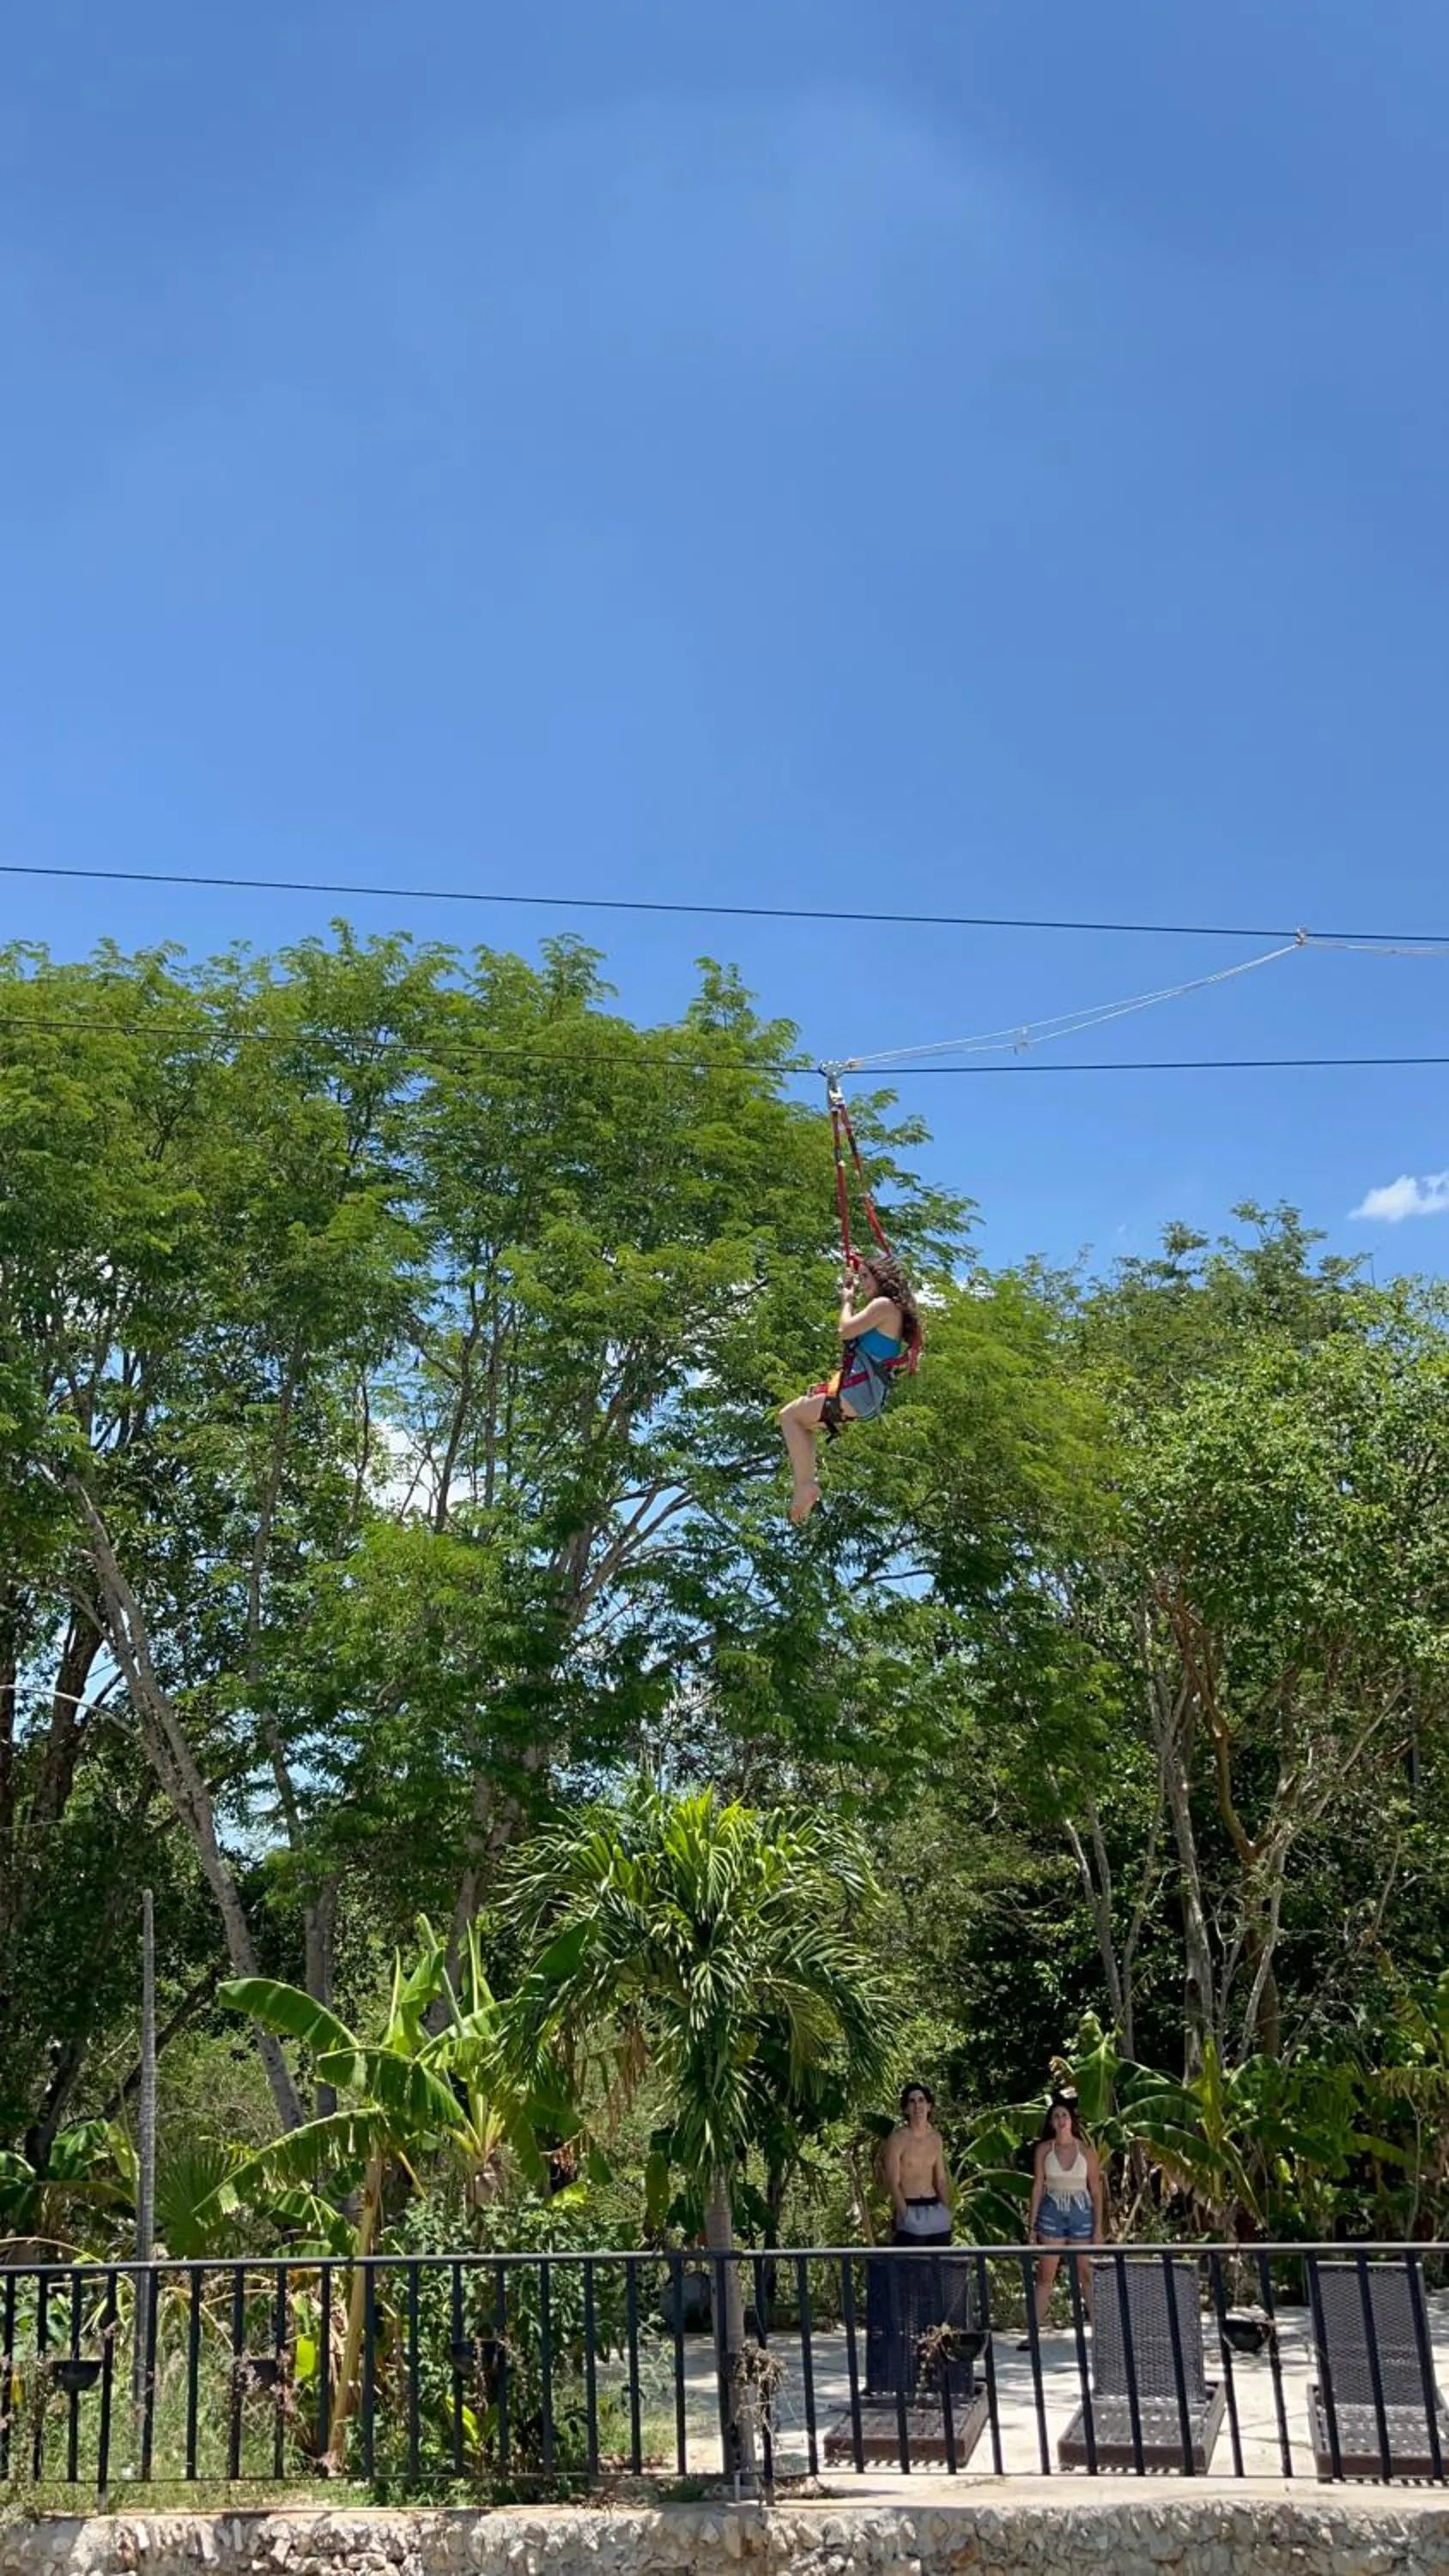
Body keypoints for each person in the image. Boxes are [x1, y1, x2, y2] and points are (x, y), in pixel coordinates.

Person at [779, 1253, 922, 1524]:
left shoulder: (883, 1306)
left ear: (881, 1277)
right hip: (861, 1397)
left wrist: (847, 1300)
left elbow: (845, 1330)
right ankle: (806, 1484)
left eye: (867, 1276)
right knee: (800, 1422)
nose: (863, 1282)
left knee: (789, 1416)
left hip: (855, 1393)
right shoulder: (891, 1311)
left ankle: (805, 1485)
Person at [1022, 2092, 1106, 2338]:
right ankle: (1033, 2331)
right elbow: (1038, 2186)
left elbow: (1096, 2190)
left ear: (1071, 2121)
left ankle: (1100, 2332)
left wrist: (1098, 2228)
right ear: (1051, 2122)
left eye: (1065, 2115)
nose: (1061, 2120)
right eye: (1056, 2116)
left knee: (1086, 2272)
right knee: (1046, 2273)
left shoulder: (1086, 2151)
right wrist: (1032, 2225)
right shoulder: (1044, 2150)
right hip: (1052, 2210)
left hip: (1081, 2210)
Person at [882, 2081, 953, 2245]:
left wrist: (947, 2211)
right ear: (906, 2109)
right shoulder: (897, 2139)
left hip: (935, 2209)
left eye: (921, 2100)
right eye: (912, 2101)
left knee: (939, 2268)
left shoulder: (935, 2138)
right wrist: (905, 2214)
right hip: (910, 2209)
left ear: (929, 2106)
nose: (917, 2106)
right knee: (912, 2268)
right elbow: (893, 2182)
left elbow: (941, 2179)